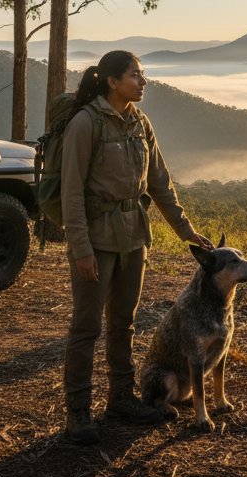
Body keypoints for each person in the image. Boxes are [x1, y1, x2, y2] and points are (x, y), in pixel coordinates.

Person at [58, 50, 212, 445]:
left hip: (134, 237)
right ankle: (78, 411)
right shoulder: (86, 124)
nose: (143, 82)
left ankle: (121, 399)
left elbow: (160, 183)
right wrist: (81, 249)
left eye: (142, 75)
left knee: (123, 322)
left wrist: (186, 231)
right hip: (97, 240)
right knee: (86, 326)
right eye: (135, 75)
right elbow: (71, 193)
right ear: (112, 81)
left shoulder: (140, 123)